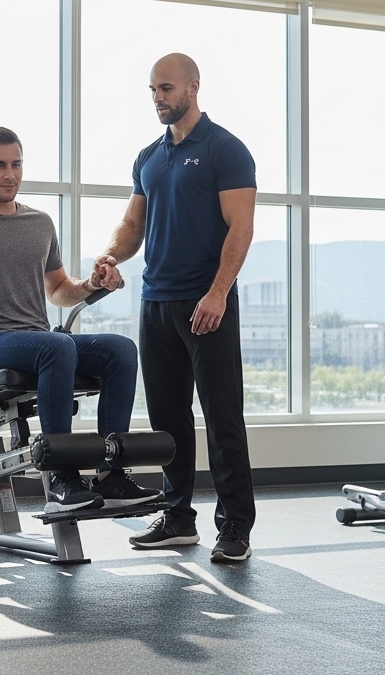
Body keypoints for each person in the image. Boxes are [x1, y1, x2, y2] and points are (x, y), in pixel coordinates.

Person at [0, 126, 162, 514]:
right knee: (55, 346)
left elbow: (59, 290)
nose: (9, 174)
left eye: (16, 164)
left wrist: (91, 283)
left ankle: (111, 475)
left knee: (120, 349)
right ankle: (62, 478)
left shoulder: (40, 223)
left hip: (38, 344)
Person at [95, 53, 257, 563]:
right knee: (168, 420)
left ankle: (234, 527)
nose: (159, 99)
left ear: (193, 86)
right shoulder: (149, 157)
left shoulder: (226, 150)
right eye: (152, 90)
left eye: (166, 88)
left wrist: (217, 292)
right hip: (156, 302)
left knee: (222, 415)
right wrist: (110, 254)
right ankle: (177, 517)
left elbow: (242, 226)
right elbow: (132, 225)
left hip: (206, 301)